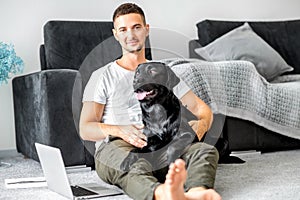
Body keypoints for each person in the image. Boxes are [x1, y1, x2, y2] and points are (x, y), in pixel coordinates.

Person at [79, 3, 221, 200]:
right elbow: (86, 129)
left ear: (146, 30)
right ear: (115, 34)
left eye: (136, 27)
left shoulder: (162, 72)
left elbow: (200, 108)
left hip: (162, 146)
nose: (131, 35)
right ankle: (163, 194)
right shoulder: (102, 76)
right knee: (134, 163)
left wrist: (203, 123)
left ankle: (197, 193)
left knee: (204, 151)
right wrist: (119, 130)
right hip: (118, 146)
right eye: (123, 29)